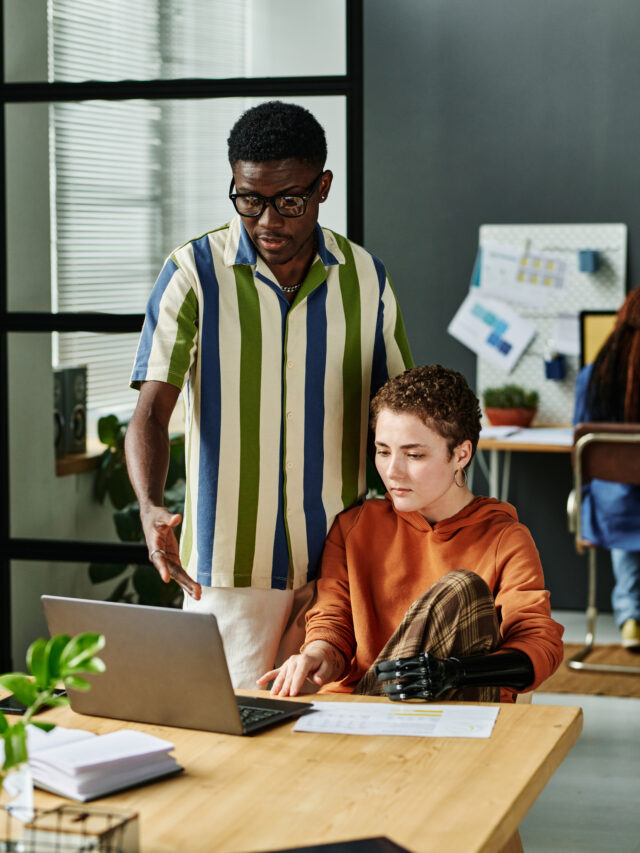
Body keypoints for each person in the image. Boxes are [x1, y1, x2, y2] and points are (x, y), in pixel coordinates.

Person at [125, 101, 412, 687]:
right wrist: (151, 504)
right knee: (229, 734)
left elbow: (400, 413)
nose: (267, 222)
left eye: (289, 201)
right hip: (229, 571)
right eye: (249, 199)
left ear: (323, 186)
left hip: (342, 559)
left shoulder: (365, 278)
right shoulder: (193, 273)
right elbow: (152, 412)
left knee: (337, 731)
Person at [259, 365, 563, 702]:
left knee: (461, 588)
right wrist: (315, 656)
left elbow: (537, 644)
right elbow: (333, 621)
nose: (392, 471)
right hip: (363, 704)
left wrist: (454, 672)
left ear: (460, 454)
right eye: (383, 451)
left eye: (414, 455)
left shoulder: (505, 539)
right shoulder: (354, 527)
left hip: (455, 715)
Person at [573, 288, 640, 649]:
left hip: (613, 508)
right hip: (624, 507)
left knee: (620, 498)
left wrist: (583, 511)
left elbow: (581, 450)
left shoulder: (594, 377)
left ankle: (630, 618)